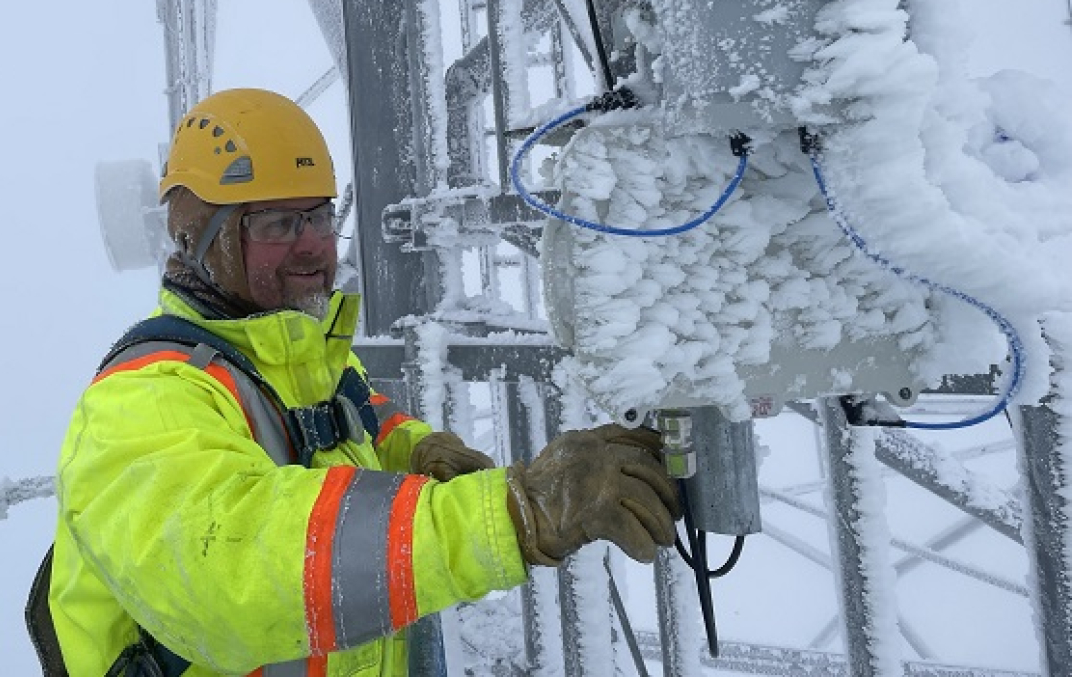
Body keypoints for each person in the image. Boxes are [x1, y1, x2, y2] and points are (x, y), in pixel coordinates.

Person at [47, 88, 681, 677]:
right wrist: (517, 511)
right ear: (204, 240)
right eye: (276, 224)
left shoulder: (300, 358)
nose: (313, 246)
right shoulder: (144, 402)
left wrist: (419, 449)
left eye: (320, 217)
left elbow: (357, 422)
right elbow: (238, 572)